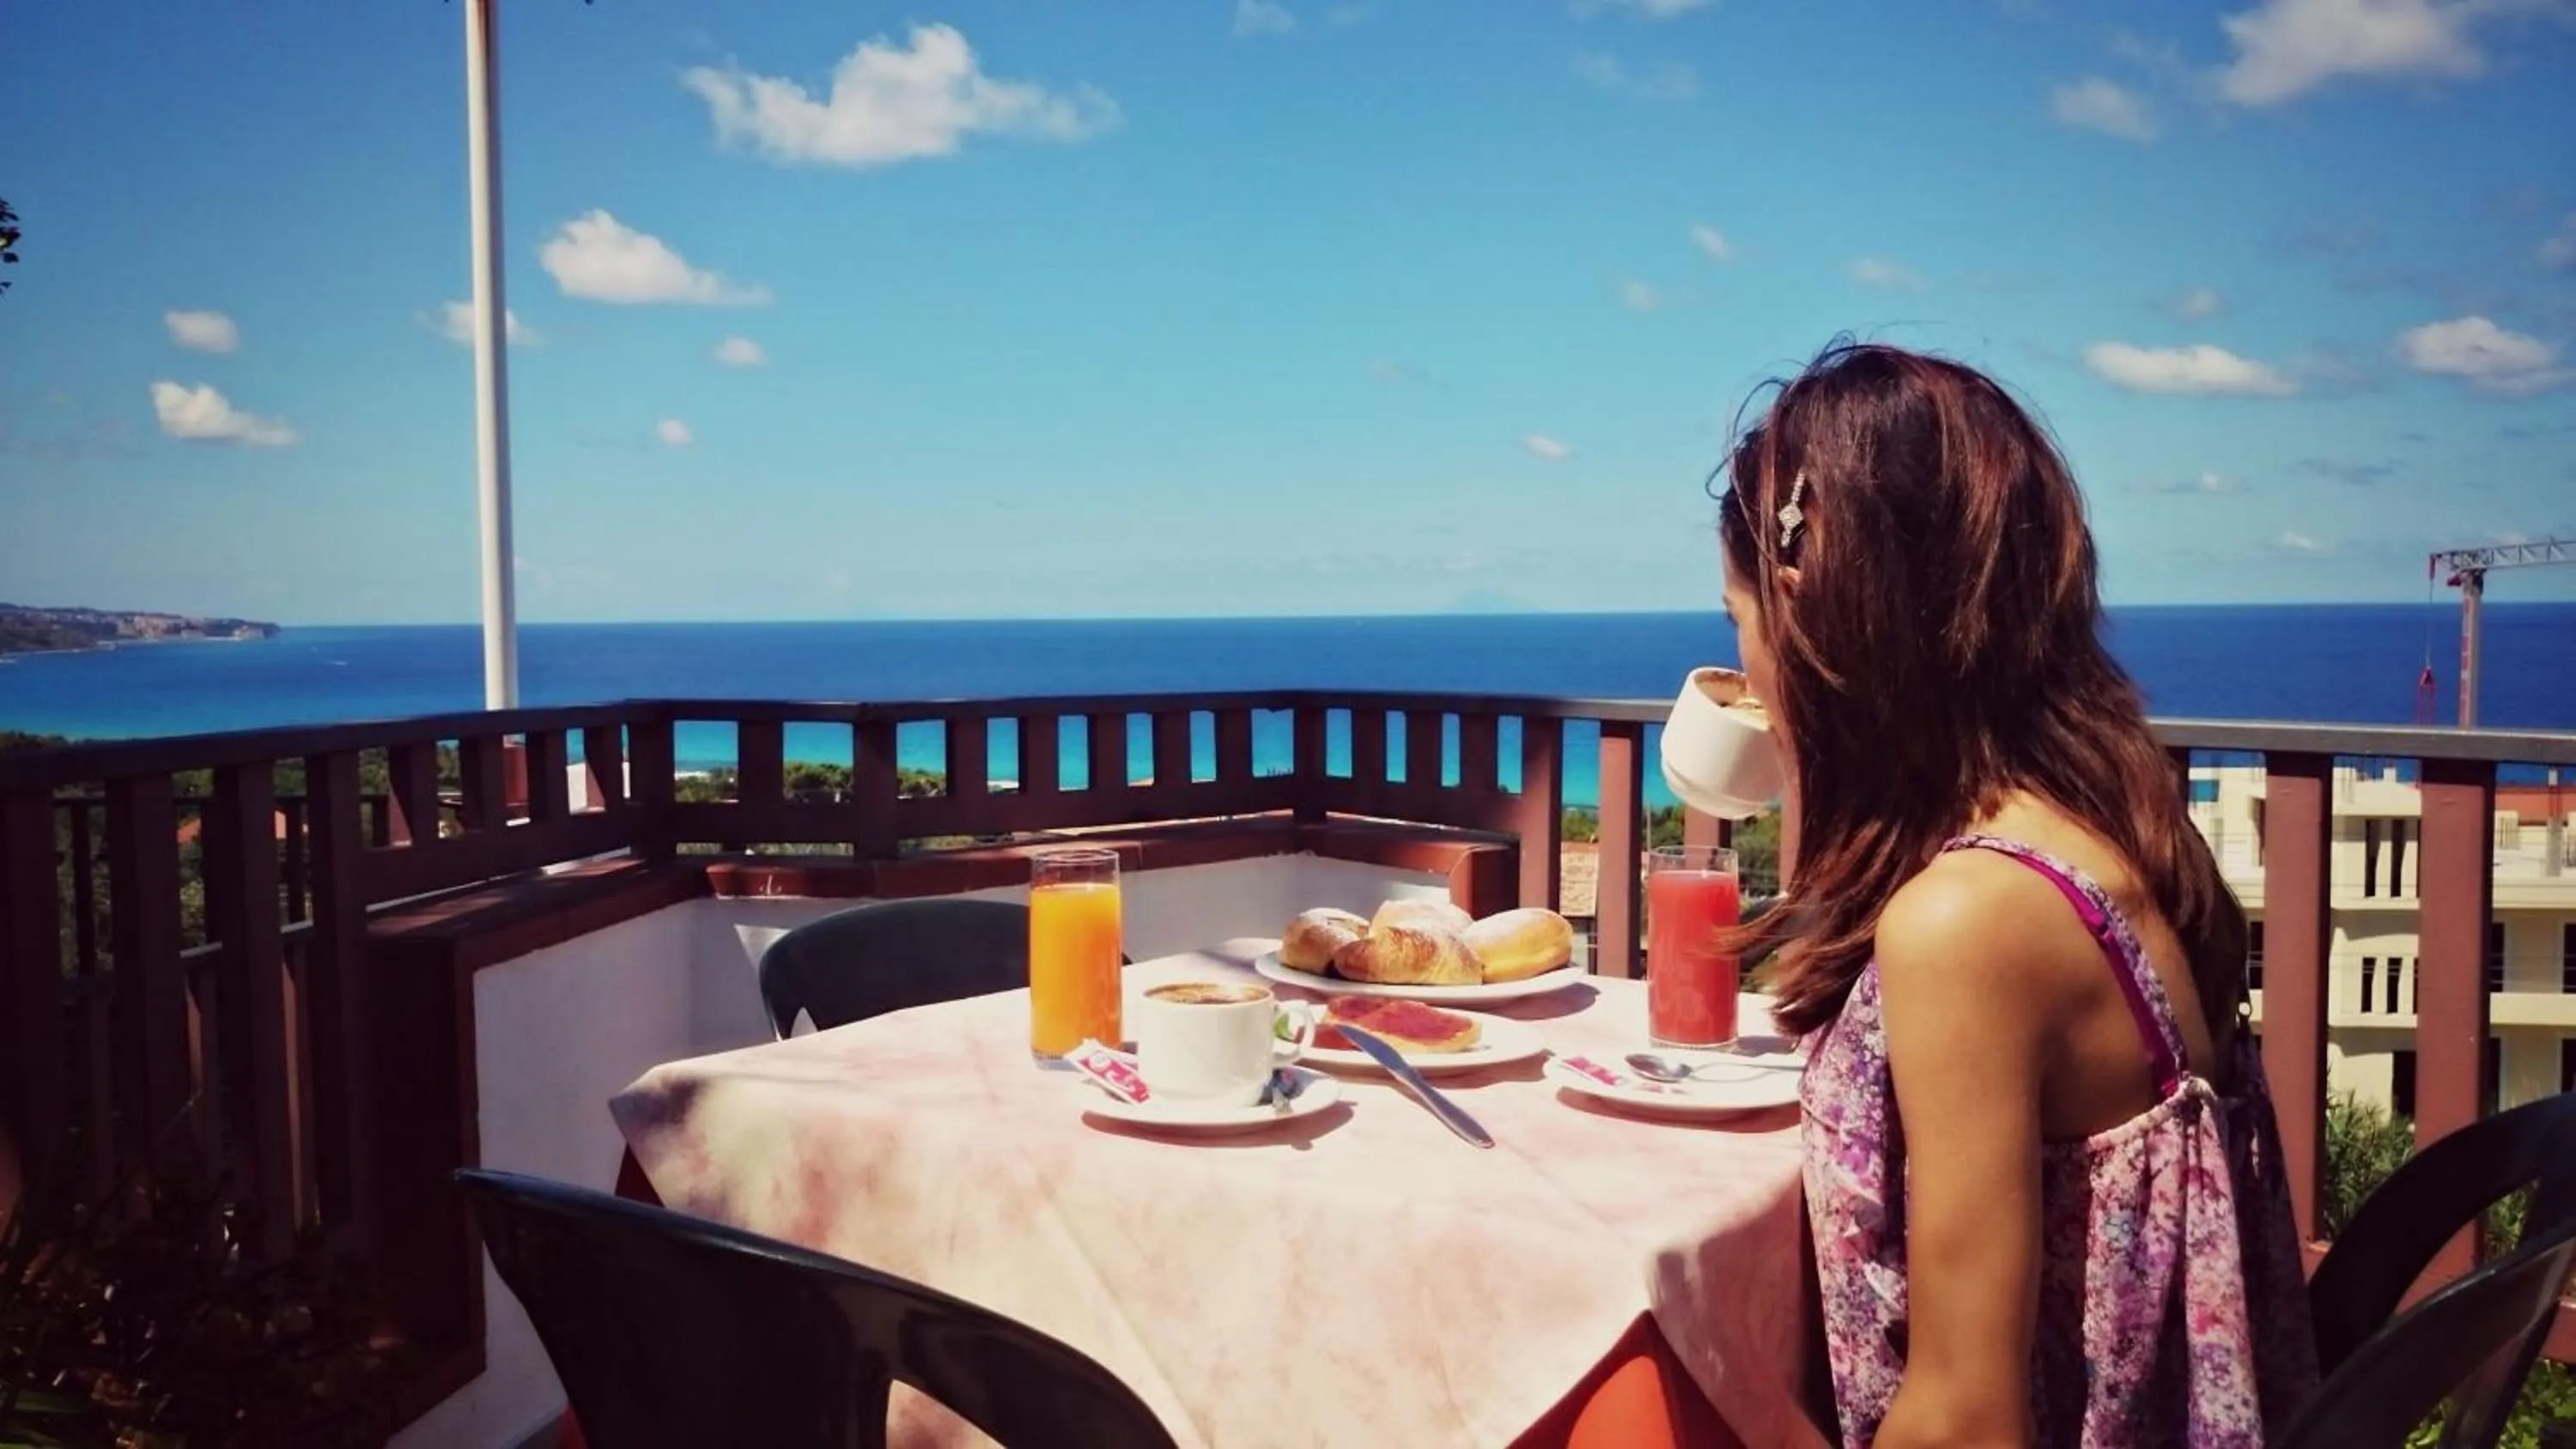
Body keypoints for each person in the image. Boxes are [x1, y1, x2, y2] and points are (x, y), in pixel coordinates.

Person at [1716, 342, 2318, 1447]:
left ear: (1807, 605)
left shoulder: (1968, 922)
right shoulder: (2126, 833)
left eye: (1736, 622)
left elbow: (1966, 1421)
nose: (1747, 671)